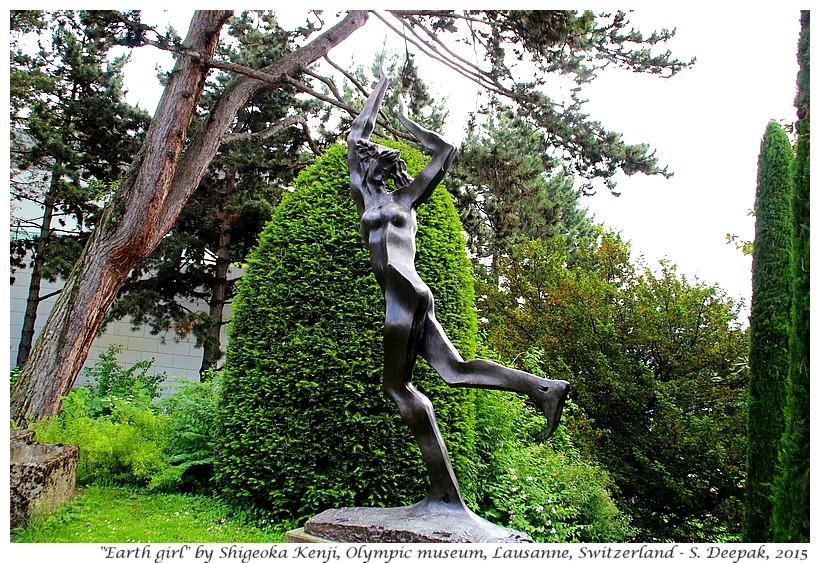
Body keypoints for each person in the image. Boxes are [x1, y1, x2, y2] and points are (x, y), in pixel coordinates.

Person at [347, 67, 569, 515]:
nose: (368, 164)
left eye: (373, 162)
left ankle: (445, 497)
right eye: (370, 161)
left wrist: (406, 118)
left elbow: (444, 150)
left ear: (382, 168)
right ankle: (542, 389)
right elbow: (356, 136)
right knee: (454, 370)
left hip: (402, 296)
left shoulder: (404, 199)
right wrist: (379, 90)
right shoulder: (367, 198)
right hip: (411, 294)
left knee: (398, 386)